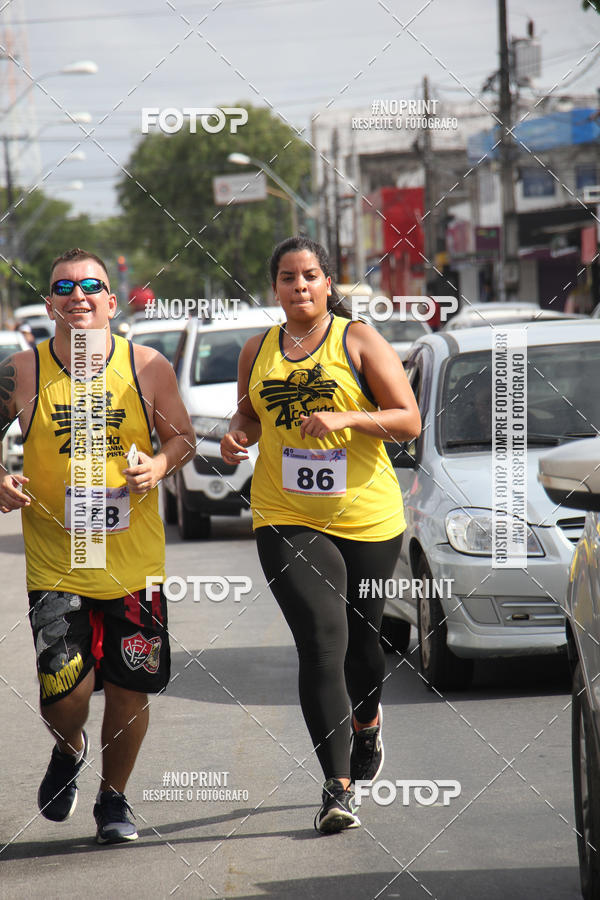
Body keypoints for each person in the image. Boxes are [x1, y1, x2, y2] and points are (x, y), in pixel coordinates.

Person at [221, 236, 421, 834]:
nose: (299, 286)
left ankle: (367, 722)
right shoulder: (257, 350)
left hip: (367, 517)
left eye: (309, 275)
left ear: (327, 283)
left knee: (363, 647)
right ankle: (337, 788)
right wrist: (237, 436)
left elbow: (408, 419)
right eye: (287, 277)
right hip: (285, 513)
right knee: (320, 643)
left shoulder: (356, 340)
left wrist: (347, 417)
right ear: (275, 287)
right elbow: (249, 415)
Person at [0, 248, 195, 844]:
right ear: (50, 304)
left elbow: (183, 438)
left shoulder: (147, 366)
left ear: (112, 301)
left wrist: (158, 465)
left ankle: (114, 799)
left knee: (132, 686)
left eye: (90, 286)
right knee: (66, 693)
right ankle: (70, 746)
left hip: (135, 563)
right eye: (64, 288)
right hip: (57, 563)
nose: (78, 296)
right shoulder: (22, 371)